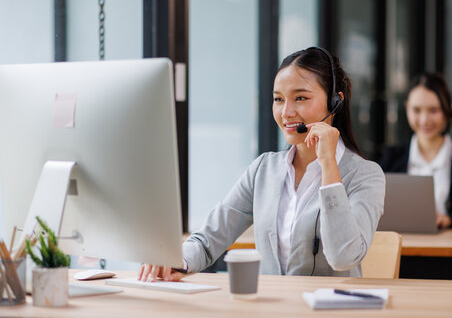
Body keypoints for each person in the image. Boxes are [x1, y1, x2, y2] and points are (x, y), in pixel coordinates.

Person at [138, 47, 385, 282]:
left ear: (335, 102)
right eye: (278, 99)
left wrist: (329, 163)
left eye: (300, 97)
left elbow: (343, 258)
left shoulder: (365, 175)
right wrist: (175, 261)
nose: (286, 112)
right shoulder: (263, 170)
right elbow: (208, 240)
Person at [379, 72, 452, 229]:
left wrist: (448, 220)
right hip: (402, 247)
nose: (424, 120)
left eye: (433, 110)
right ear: (407, 108)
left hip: (450, 248)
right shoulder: (391, 157)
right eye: (416, 110)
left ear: (448, 110)